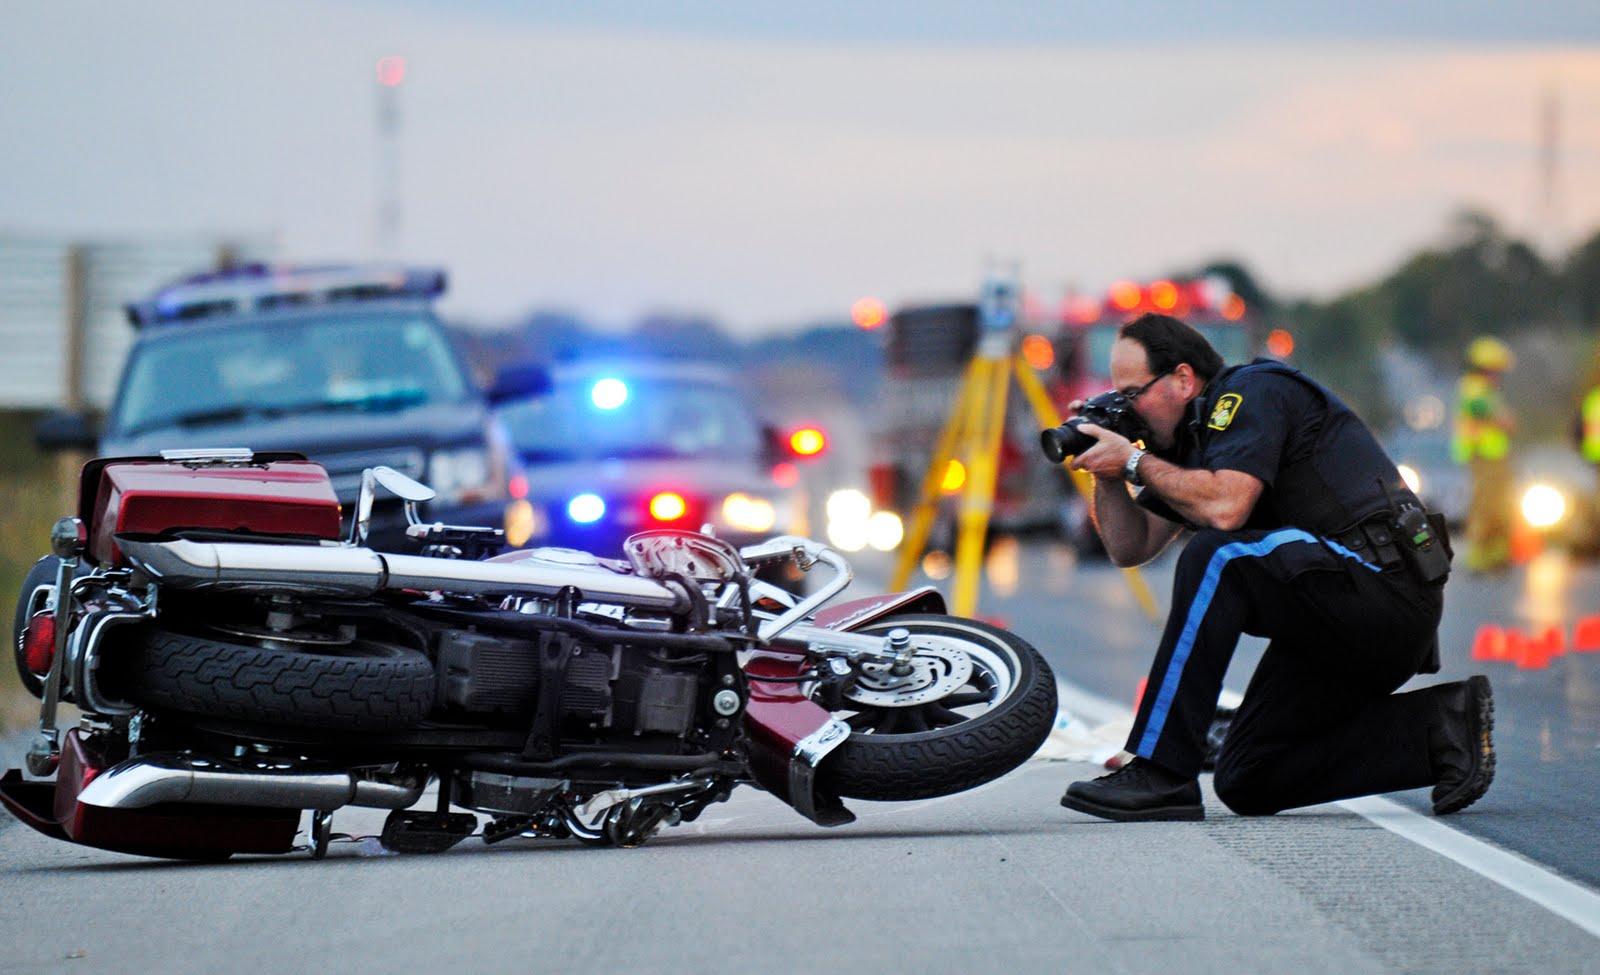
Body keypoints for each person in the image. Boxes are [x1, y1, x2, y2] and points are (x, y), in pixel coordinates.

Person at [1057, 314, 1494, 822]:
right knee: (1249, 777)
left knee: (1217, 555)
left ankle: (1160, 772)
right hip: (1329, 621)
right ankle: (1440, 727)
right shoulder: (1190, 448)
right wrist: (1105, 469)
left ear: (1181, 378)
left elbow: (1227, 509)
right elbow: (1130, 547)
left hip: (1382, 590)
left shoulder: (1251, 392)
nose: (1126, 407)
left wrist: (1133, 462)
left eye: (1133, 394)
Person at [1453, 338, 1515, 572]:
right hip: (1483, 455)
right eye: (1495, 370)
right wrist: (1504, 420)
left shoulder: (1486, 389)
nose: (1498, 375)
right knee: (1485, 506)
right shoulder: (1475, 387)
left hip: (1493, 455)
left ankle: (1496, 554)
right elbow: (1485, 413)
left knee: (1498, 505)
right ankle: (1481, 556)